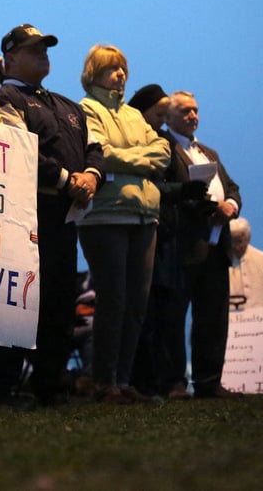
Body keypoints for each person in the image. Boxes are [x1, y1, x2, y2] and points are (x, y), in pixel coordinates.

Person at [0, 24, 104, 407]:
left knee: (58, 305)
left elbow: (95, 148)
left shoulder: (68, 106)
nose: (43, 54)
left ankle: (49, 388)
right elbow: (17, 151)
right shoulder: (5, 97)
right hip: (24, 216)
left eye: (45, 49)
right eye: (33, 48)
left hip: (64, 219)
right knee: (17, 304)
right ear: (10, 56)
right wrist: (68, 179)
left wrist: (92, 176)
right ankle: (0, 389)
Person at [75, 45, 170, 404]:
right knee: (113, 300)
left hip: (144, 215)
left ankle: (123, 379)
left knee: (136, 303)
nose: (120, 75)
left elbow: (163, 152)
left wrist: (132, 162)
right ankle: (103, 381)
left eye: (123, 68)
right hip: (105, 215)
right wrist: (143, 162)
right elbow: (102, 154)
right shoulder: (87, 109)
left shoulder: (133, 115)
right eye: (112, 68)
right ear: (93, 74)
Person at [126, 83, 208, 400]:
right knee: (145, 310)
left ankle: (162, 380)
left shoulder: (161, 142)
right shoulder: (147, 142)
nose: (161, 121)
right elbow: (152, 185)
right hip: (148, 230)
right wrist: (182, 193)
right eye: (159, 114)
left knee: (166, 313)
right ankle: (142, 380)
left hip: (168, 234)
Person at [162, 90, 243, 399]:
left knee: (212, 318)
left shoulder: (209, 152)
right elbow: (173, 195)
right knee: (174, 318)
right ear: (169, 118)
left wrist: (232, 206)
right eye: (184, 111)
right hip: (183, 247)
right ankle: (175, 383)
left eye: (195, 110)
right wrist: (212, 211)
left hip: (215, 247)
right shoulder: (165, 149)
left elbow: (232, 187)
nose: (193, 116)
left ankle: (209, 382)